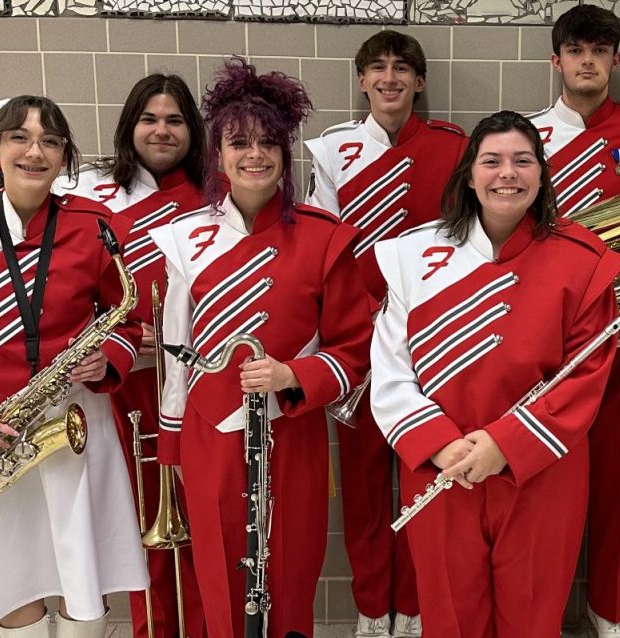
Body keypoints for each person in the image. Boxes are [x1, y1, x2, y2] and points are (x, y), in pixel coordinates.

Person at [370, 110, 620, 638]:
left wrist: (505, 444)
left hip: (540, 471)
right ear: (469, 175)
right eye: (492, 161)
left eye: (522, 161)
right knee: (450, 622)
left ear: (541, 173)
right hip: (441, 467)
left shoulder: (582, 260)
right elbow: (389, 367)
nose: (507, 173)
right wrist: (440, 444)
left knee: (532, 619)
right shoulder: (412, 254)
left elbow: (588, 377)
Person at [0, 95, 148, 638]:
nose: (35, 152)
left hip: (73, 422)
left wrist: (111, 356)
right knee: (8, 574)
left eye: (51, 141)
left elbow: (127, 316)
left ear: (64, 156)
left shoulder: (96, 225)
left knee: (81, 570)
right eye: (20, 138)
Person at [149, 57, 371, 638]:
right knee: (220, 578)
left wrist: (293, 374)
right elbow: (176, 351)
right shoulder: (180, 238)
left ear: (286, 151)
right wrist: (171, 446)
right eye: (239, 142)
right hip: (207, 432)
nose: (255, 154)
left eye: (268, 141)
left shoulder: (326, 238)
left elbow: (355, 348)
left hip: (292, 431)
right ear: (217, 155)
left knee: (292, 572)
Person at [303, 31, 467, 638]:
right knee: (367, 483)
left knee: (430, 470)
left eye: (403, 69)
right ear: (362, 80)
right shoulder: (330, 150)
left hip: (437, 333)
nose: (390, 78)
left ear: (420, 81)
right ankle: (374, 613)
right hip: (357, 336)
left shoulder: (454, 146)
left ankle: (420, 609)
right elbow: (321, 246)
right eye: (378, 69)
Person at [525, 6, 620, 635]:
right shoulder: (524, 137)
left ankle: (608, 612)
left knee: (619, 473)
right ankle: (535, 610)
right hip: (544, 330)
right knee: (541, 472)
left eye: (600, 50)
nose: (587, 61)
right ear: (555, 60)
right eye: (575, 50)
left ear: (616, 60)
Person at [55, 72, 208, 638]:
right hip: (125, 382)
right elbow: (70, 289)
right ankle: (152, 629)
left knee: (201, 520)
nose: (162, 130)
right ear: (130, 126)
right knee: (143, 519)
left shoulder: (215, 198)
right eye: (149, 119)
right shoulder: (92, 193)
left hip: (197, 383)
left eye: (174, 120)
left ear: (193, 130)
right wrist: (114, 338)